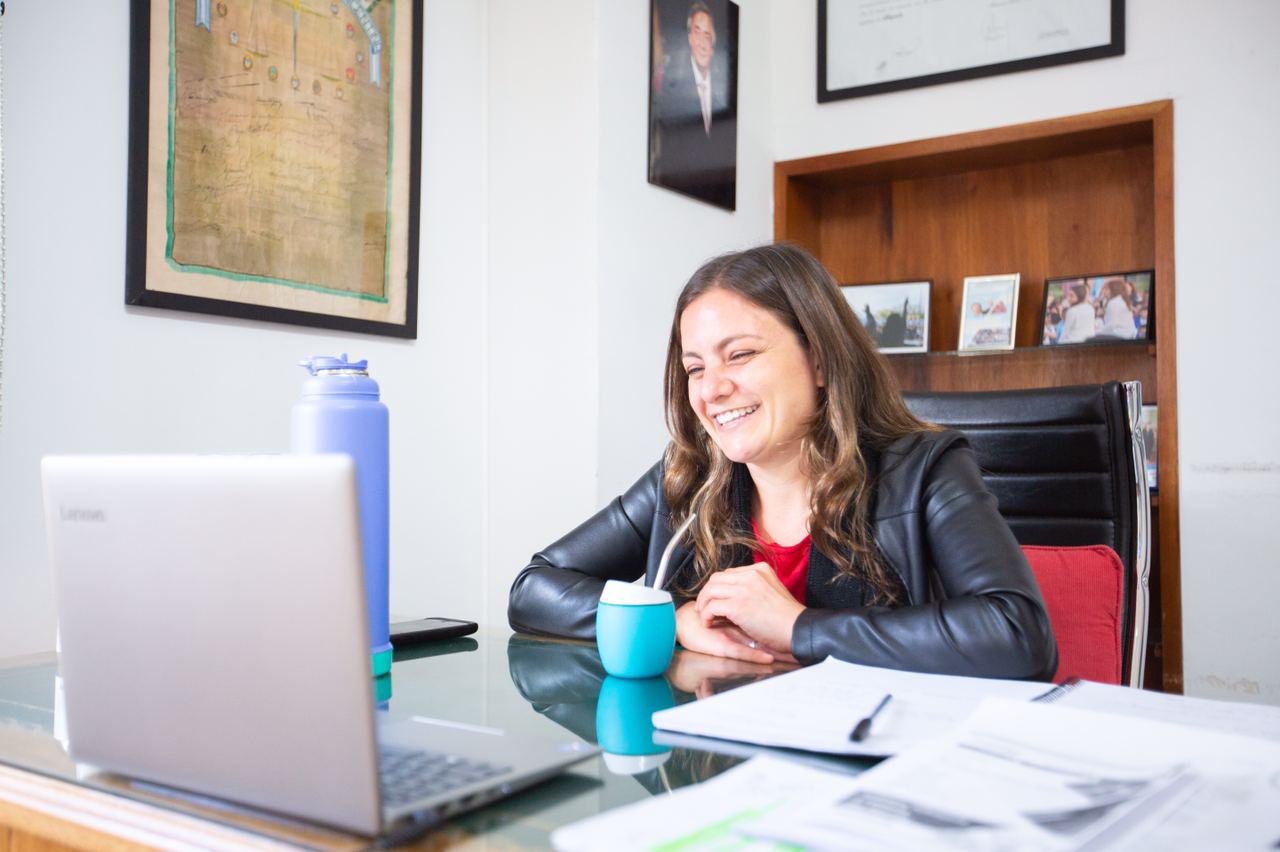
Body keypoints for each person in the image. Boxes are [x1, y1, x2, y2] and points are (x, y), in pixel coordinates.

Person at [509, 244, 1056, 680]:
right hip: (718, 761)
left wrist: (799, 628)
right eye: (695, 368)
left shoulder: (924, 470)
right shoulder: (686, 477)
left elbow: (1018, 634)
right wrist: (673, 621)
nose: (712, 390)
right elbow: (534, 587)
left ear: (819, 360)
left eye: (740, 354)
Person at [649, 1, 736, 209]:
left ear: (714, 45)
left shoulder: (723, 102)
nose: (702, 43)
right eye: (697, 33)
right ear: (689, 38)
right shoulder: (673, 92)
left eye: (708, 35)